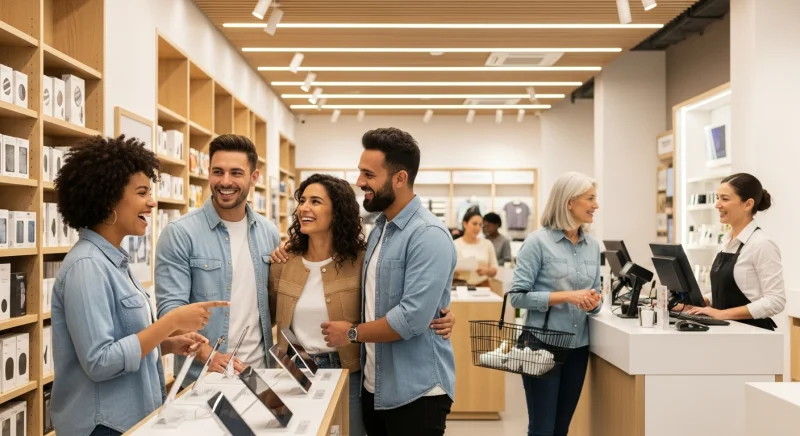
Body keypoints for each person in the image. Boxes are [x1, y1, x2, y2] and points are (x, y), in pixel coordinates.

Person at [50, 135, 227, 436]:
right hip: (102, 426)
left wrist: (168, 344)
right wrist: (171, 322)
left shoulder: (114, 262)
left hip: (130, 420)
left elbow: (124, 340)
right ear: (109, 199)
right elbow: (100, 362)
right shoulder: (87, 266)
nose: (152, 201)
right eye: (142, 192)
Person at [268, 173, 455, 436]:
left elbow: (395, 301)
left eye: (316, 201)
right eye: (302, 200)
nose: (304, 208)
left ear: (338, 211)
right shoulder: (283, 263)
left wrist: (445, 314)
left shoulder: (362, 261)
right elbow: (267, 315)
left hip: (348, 374)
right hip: (293, 373)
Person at [318, 127, 456, 435]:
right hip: (375, 387)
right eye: (360, 172)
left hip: (416, 394)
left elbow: (412, 318)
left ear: (399, 178)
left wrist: (352, 333)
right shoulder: (380, 229)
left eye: (369, 174)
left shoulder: (428, 235)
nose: (360, 182)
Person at [156, 134, 281, 385]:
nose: (225, 181)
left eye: (236, 173)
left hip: (258, 372)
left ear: (253, 178)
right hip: (202, 376)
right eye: (217, 171)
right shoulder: (180, 233)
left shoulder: (269, 232)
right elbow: (171, 311)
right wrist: (208, 355)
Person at [509, 171, 602, 436]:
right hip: (541, 345)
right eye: (590, 198)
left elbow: (594, 294)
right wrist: (567, 296)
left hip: (578, 347)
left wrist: (592, 303)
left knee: (561, 429)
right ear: (569, 202)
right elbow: (517, 296)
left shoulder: (592, 246)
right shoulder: (537, 243)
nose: (596, 205)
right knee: (542, 429)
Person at [685, 173, 786, 330]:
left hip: (752, 335)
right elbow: (729, 293)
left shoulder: (761, 244)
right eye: (717, 198)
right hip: (728, 332)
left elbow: (776, 301)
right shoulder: (726, 242)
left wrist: (723, 314)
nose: (717, 205)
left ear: (748, 204)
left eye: (724, 199)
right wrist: (705, 301)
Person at [453, 210, 499, 287]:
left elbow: (494, 270)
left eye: (480, 225)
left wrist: (487, 270)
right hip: (460, 287)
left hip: (483, 287)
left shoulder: (487, 244)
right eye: (474, 224)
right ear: (465, 224)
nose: (477, 228)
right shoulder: (455, 244)